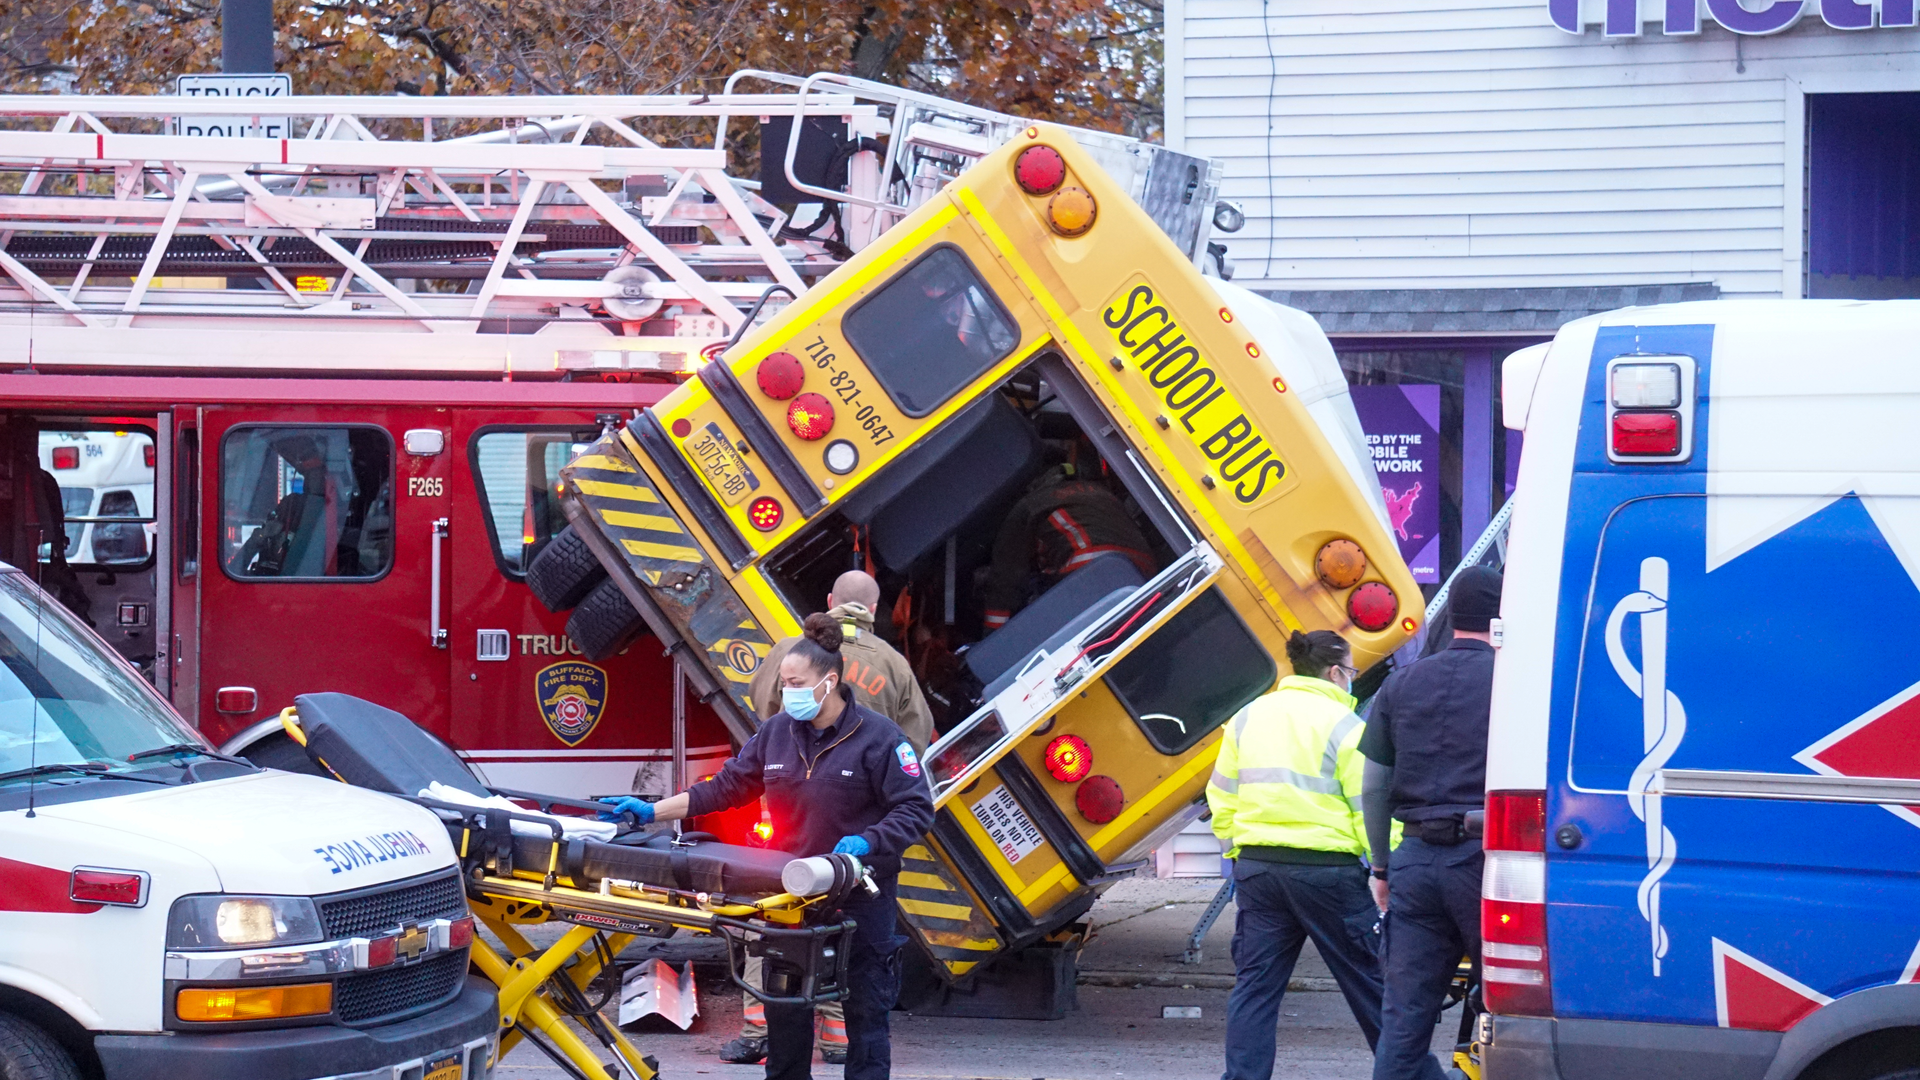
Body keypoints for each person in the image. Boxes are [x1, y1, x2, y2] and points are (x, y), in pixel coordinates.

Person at [601, 615, 934, 1080]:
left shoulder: (880, 739)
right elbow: (726, 788)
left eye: (795, 682)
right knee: (785, 1014)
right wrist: (651, 810)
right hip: (791, 895)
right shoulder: (777, 731)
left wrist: (869, 842)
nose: (786, 691)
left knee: (867, 1017)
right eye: (783, 682)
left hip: (858, 895)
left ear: (829, 682)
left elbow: (916, 810)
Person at [729, 570, 932, 1063]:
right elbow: (919, 736)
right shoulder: (894, 663)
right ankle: (837, 1037)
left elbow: (762, 708)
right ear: (877, 608)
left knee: (780, 958)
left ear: (829, 600)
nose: (791, 690)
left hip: (801, 839)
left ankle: (757, 1028)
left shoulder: (790, 653)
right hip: (851, 853)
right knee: (860, 989)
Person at [1208, 629, 1385, 1080]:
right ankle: (1413, 1074)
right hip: (1327, 875)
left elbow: (1222, 795)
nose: (1352, 680)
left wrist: (1237, 852)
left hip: (1259, 871)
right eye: (1351, 671)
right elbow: (1371, 804)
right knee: (1372, 986)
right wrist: (1386, 867)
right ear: (1334, 672)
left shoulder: (1249, 716)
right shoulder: (1345, 726)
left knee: (1255, 989)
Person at [1360, 566, 1502, 1080]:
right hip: (1487, 865)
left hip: (1415, 863)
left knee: (1404, 1019)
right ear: (1500, 613)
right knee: (1502, 1009)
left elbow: (1374, 785)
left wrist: (1381, 869)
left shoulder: (1401, 684)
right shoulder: (1513, 683)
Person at [750, 570, 934, 754]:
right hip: (861, 778)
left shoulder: (789, 649)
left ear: (830, 601)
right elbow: (915, 737)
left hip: (794, 767)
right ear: (873, 609)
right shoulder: (896, 665)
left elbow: (762, 703)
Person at [981, 466, 1154, 632]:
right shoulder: (1101, 492)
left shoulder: (1030, 506)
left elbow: (1005, 579)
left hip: (1090, 571)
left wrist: (991, 637)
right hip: (1144, 573)